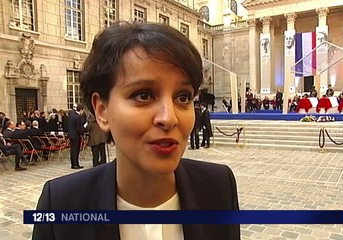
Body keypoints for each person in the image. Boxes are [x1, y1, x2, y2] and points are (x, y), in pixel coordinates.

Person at [32, 22, 240, 240]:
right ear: (102, 111)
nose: (169, 118)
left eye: (183, 97)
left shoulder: (218, 187)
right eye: (143, 95)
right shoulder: (60, 205)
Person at [67, 103, 85, 169]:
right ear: (80, 110)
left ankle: (73, 164)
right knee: (76, 150)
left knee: (72, 150)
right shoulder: (78, 117)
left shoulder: (71, 115)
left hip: (71, 134)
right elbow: (78, 128)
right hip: (76, 135)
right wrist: (82, 131)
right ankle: (76, 164)